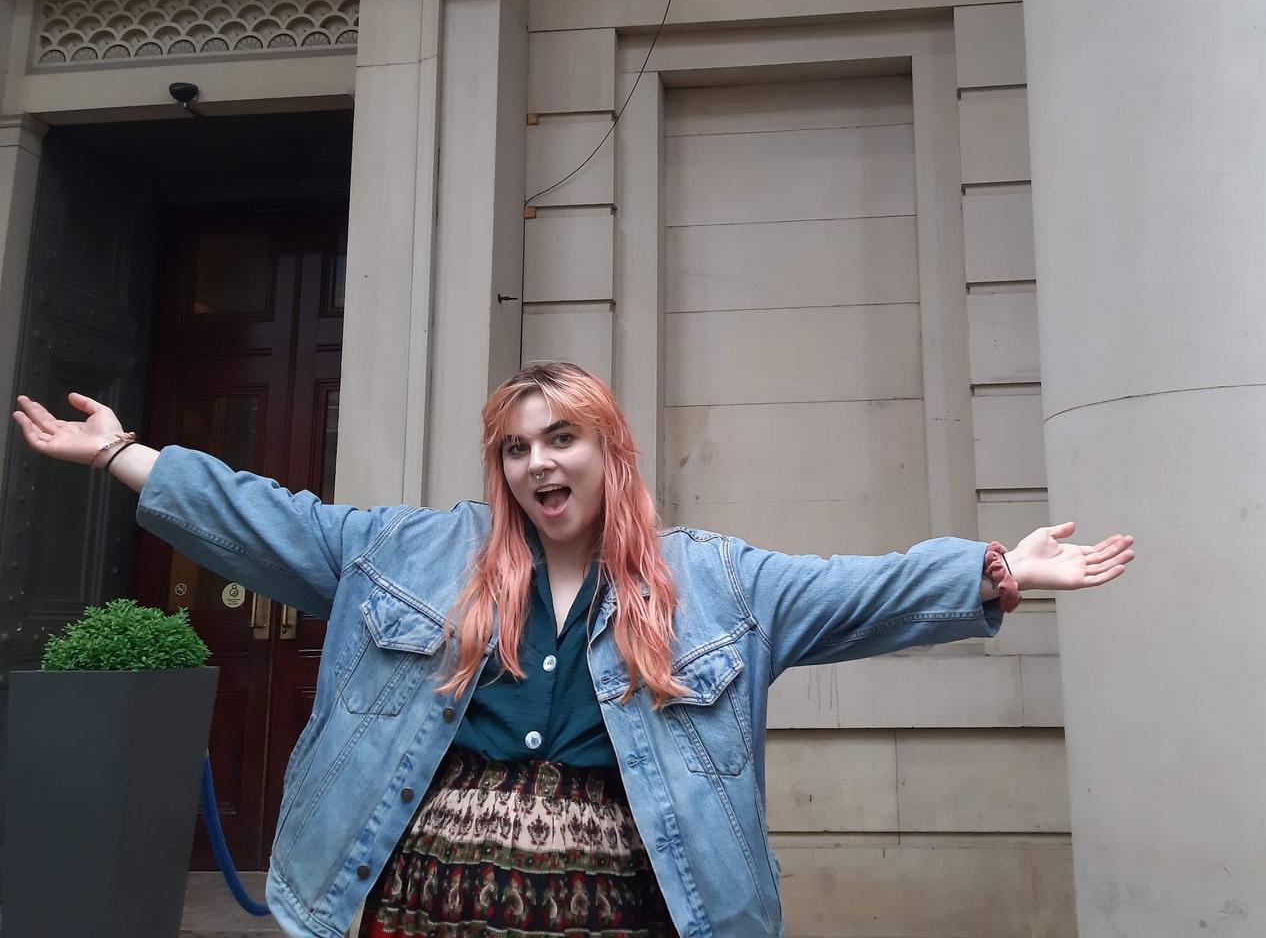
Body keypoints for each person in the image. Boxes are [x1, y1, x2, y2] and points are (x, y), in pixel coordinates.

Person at [12, 362, 1134, 938]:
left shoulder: (718, 583)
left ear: (612, 451)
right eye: (515, 447)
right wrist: (123, 455)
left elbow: (860, 589)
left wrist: (993, 569)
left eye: (562, 439)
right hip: (419, 911)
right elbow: (269, 519)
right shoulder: (408, 552)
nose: (538, 465)